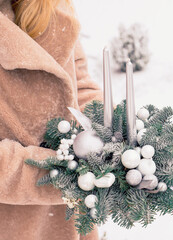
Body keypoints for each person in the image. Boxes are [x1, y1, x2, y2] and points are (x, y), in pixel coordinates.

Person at [0, 0, 102, 239]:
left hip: (71, 220)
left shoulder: (51, 4)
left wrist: (116, 133)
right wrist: (64, 176)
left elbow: (81, 84)